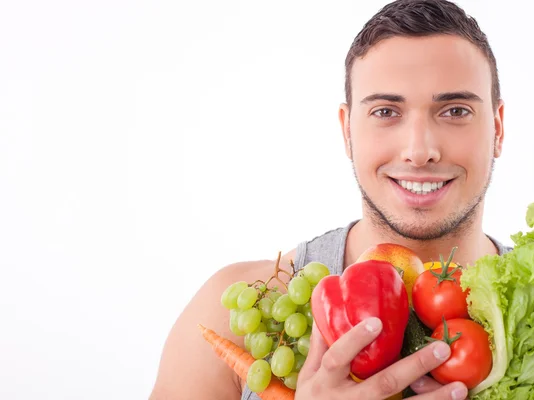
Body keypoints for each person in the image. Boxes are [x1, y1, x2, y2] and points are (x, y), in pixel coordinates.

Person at [149, 0, 512, 399]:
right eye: (386, 111)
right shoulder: (229, 317)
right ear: (347, 131)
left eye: (455, 110)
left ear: (497, 129)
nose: (419, 150)